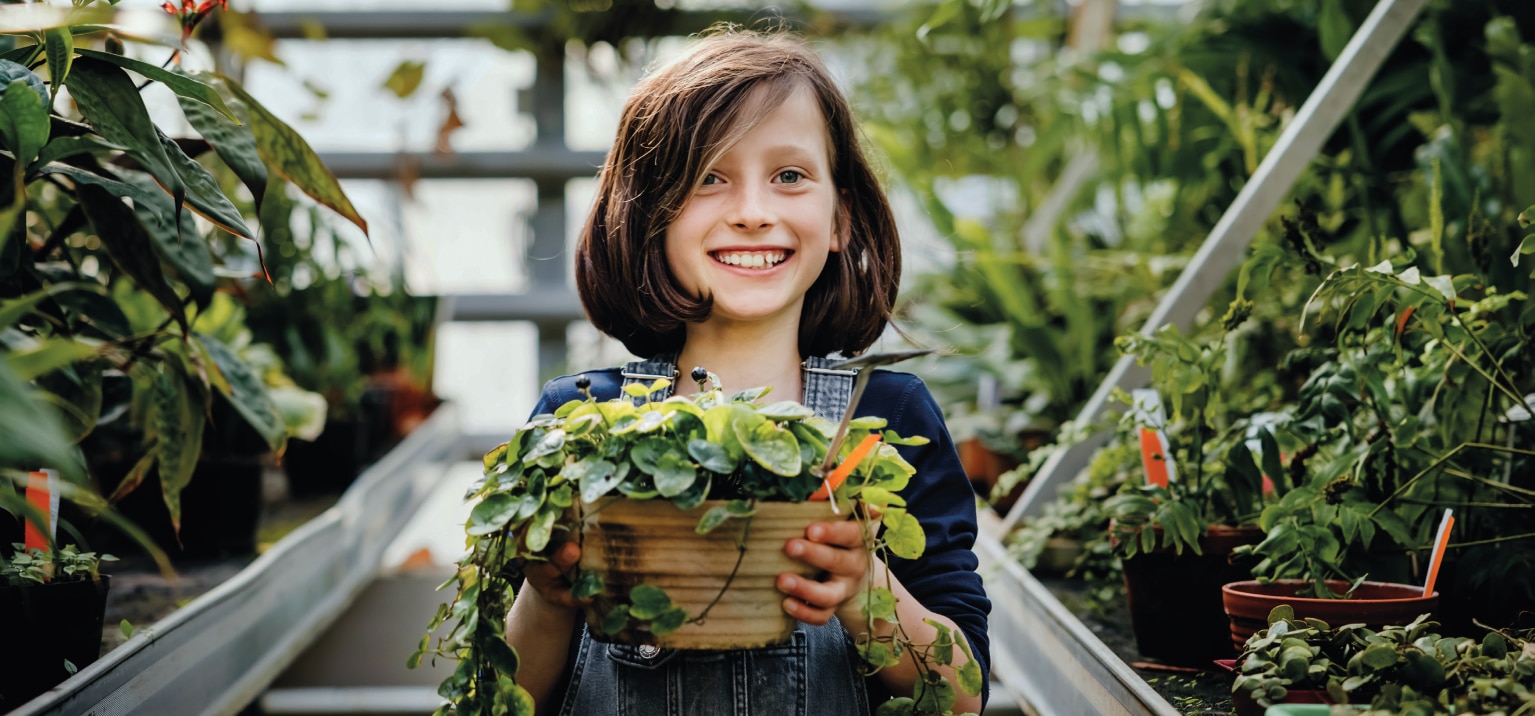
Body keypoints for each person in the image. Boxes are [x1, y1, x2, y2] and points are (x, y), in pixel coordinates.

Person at [505, 27, 991, 716]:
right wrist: (549, 595)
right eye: (708, 178)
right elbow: (504, 695)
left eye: (789, 176)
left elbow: (963, 696)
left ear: (840, 217)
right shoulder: (576, 421)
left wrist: (862, 589)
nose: (754, 213)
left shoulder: (887, 417)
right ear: (650, 218)